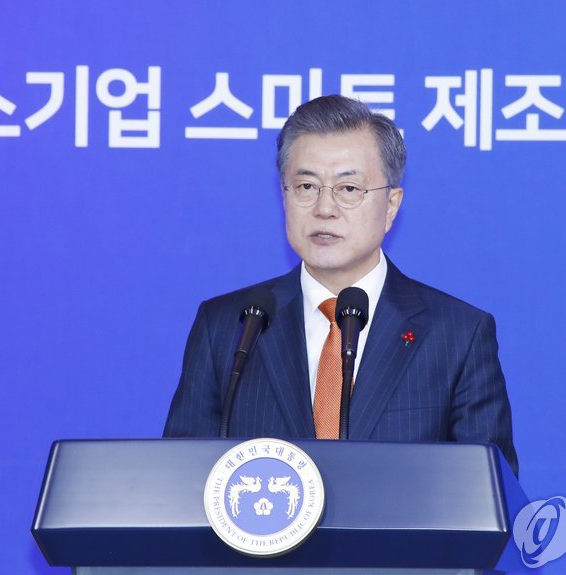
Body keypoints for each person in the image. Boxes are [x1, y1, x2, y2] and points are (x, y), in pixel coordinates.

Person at [163, 95, 518, 474]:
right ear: (284, 196)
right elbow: (180, 479)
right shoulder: (229, 327)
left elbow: (488, 491)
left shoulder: (458, 335)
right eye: (306, 186)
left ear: (391, 205)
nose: (324, 208)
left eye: (348, 189)